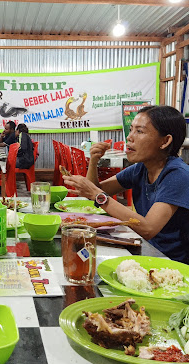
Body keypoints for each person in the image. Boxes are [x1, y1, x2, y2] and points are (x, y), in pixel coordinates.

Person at [62, 105, 189, 263]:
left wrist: (97, 195)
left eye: (140, 131)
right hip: (143, 248)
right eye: (131, 130)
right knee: (78, 251)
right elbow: (98, 191)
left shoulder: (178, 175)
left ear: (165, 141)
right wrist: (94, 162)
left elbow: (148, 228)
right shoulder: (140, 169)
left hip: (170, 263)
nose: (130, 137)